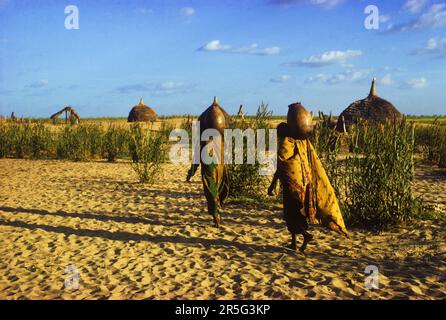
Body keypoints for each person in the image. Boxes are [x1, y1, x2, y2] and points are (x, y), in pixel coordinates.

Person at [268, 103, 348, 253]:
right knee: (296, 214)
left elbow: (280, 167)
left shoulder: (286, 145)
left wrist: (272, 185)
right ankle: (293, 242)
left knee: (292, 216)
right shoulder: (302, 143)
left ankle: (305, 236)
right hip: (303, 185)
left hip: (292, 189)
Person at [186, 97, 229, 228]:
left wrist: (191, 173)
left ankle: (215, 214)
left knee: (211, 190)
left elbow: (196, 159)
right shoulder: (220, 141)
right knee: (219, 186)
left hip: (209, 168)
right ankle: (217, 210)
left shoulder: (204, 141)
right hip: (220, 167)